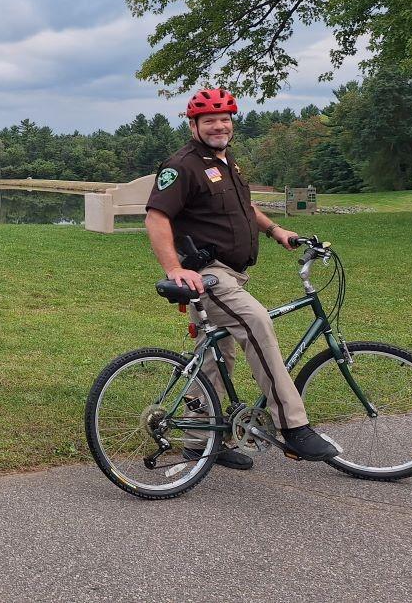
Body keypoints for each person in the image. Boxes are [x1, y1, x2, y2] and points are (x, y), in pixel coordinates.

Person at [144, 87, 339, 467]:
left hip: (233, 272)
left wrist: (276, 231)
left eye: (225, 119)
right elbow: (156, 217)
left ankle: (201, 442)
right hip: (208, 275)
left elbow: (243, 207)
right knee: (257, 321)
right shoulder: (182, 166)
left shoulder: (227, 162)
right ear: (193, 125)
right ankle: (294, 426)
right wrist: (174, 268)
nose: (219, 126)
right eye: (210, 120)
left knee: (214, 358)